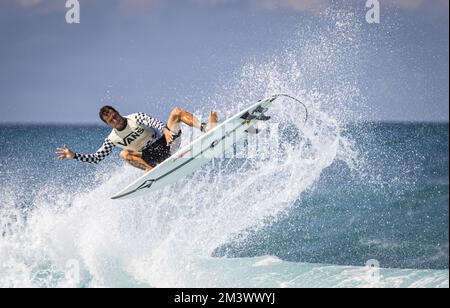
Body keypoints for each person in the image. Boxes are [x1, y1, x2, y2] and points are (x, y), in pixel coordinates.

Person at [56, 106, 218, 172]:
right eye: (111, 120)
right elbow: (97, 158)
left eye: (115, 115)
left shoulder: (135, 117)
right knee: (124, 154)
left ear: (118, 112)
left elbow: (151, 121)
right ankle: (152, 172)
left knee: (176, 112)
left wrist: (164, 129)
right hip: (151, 158)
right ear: (108, 124)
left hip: (167, 143)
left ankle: (206, 128)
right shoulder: (112, 138)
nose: (115, 120)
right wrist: (74, 155)